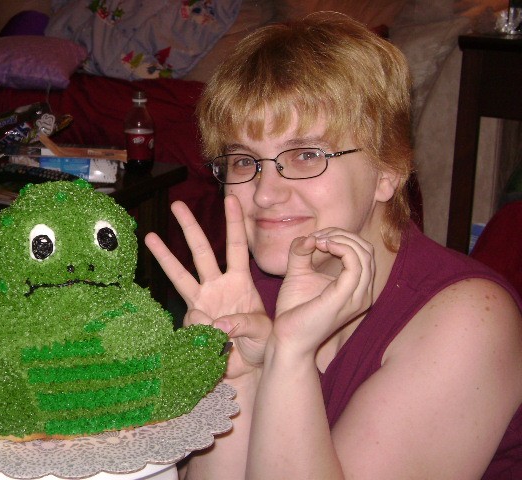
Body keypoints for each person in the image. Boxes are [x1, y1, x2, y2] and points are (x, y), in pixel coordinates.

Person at [145, 11, 522, 480]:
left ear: (388, 170)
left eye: (306, 155)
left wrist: (289, 355)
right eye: (244, 161)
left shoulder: (467, 322)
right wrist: (240, 377)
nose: (264, 193)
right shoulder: (256, 285)